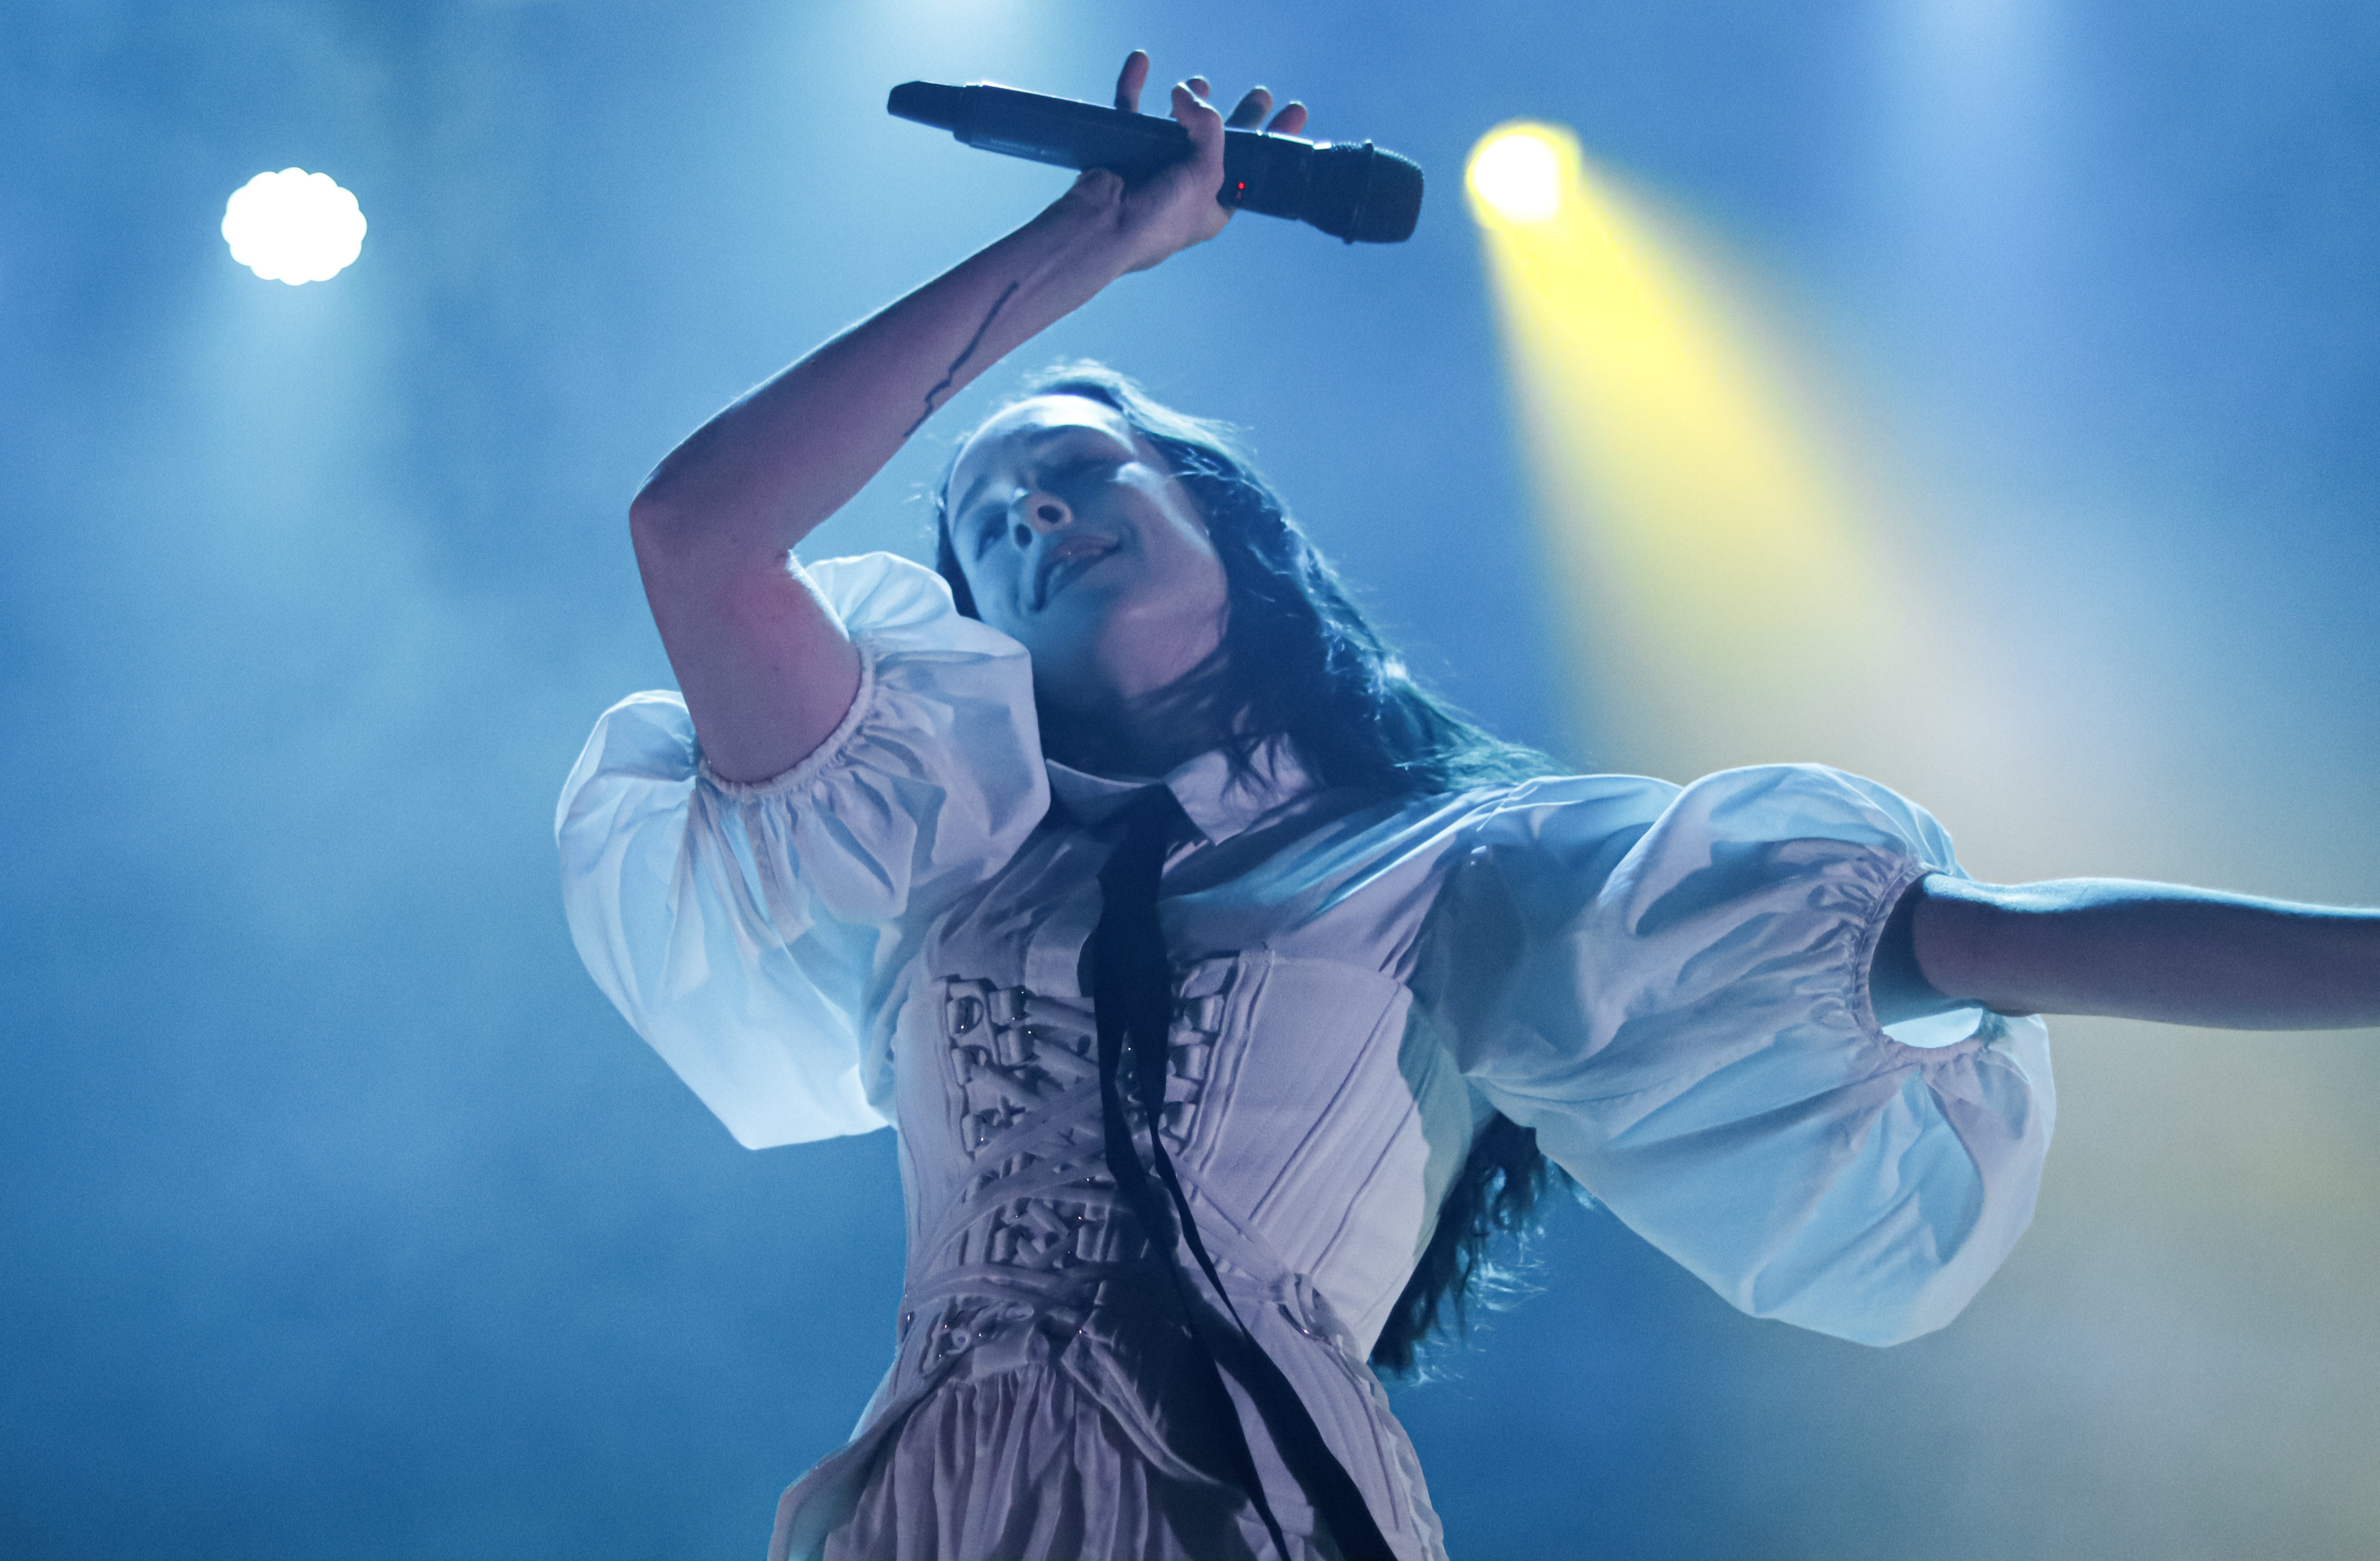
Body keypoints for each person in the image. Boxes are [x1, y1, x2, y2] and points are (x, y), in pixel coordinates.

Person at [555, 52, 2380, 1561]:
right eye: (985, 523)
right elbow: (698, 534)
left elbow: (2009, 944)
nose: (1029, 511)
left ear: (1237, 531)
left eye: (1082, 466)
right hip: (919, 1509)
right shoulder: (939, 851)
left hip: (1243, 1501)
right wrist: (1083, 249)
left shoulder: (1466, 872)